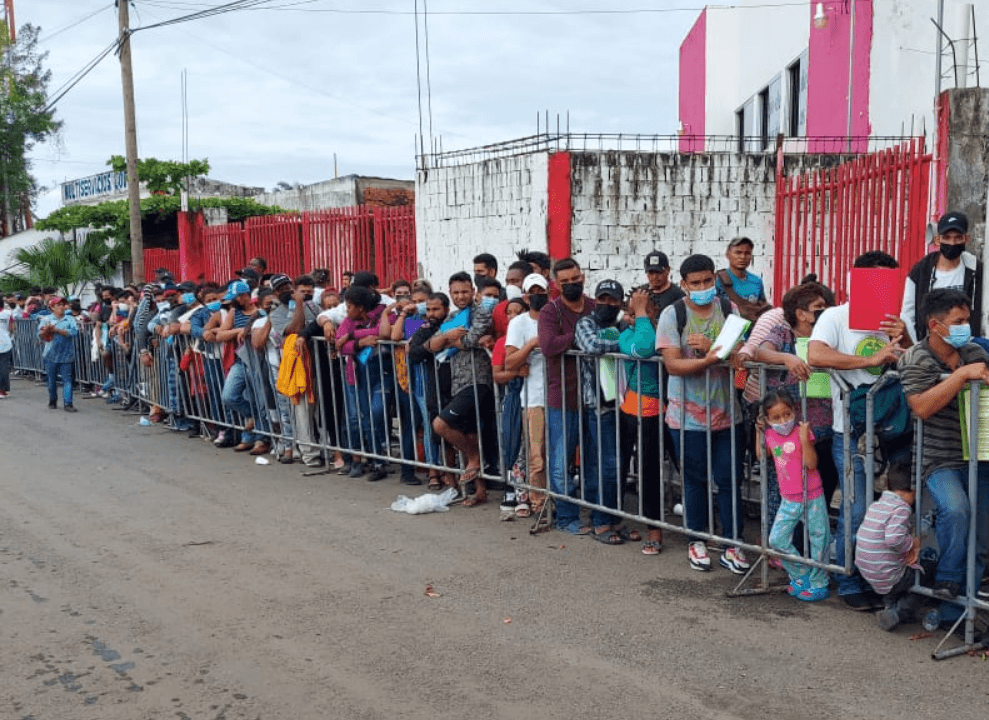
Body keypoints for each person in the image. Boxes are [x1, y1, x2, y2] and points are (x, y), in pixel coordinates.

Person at [808, 250, 909, 610]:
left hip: (893, 430)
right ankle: (846, 576)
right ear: (857, 279)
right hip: (849, 431)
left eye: (889, 280)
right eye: (874, 278)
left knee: (890, 512)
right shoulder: (836, 317)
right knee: (856, 508)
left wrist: (907, 340)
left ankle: (877, 575)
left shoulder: (897, 318)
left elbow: (917, 363)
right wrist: (869, 359)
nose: (882, 286)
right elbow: (816, 356)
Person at [897, 288, 989, 628]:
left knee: (979, 540)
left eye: (968, 319)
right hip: (937, 458)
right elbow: (921, 406)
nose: (966, 326)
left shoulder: (975, 351)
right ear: (935, 325)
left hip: (979, 456)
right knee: (956, 509)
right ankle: (947, 577)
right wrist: (962, 376)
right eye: (959, 321)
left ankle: (956, 614)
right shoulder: (915, 359)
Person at [656, 254, 748, 573]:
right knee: (694, 480)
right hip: (686, 418)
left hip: (727, 414)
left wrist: (713, 351)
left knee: (730, 480)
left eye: (708, 281)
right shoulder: (673, 314)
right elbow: (673, 365)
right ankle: (696, 540)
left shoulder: (729, 311)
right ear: (683, 284)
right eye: (695, 283)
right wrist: (712, 358)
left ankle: (732, 544)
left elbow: (739, 356)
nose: (703, 287)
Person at [538, 257, 597, 534]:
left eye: (576, 279)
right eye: (566, 282)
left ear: (583, 276)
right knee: (561, 461)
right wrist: (582, 336)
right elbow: (549, 345)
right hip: (562, 397)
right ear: (556, 284)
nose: (573, 285)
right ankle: (566, 517)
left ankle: (601, 516)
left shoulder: (596, 306)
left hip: (596, 397)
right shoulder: (552, 312)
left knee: (595, 459)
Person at [573, 279, 634, 545]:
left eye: (613, 300)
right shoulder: (586, 322)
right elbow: (592, 346)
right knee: (605, 465)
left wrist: (625, 335)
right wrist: (625, 341)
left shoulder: (621, 324)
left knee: (618, 465)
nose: (607, 304)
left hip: (624, 402)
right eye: (603, 299)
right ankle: (600, 521)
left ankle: (614, 518)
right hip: (598, 404)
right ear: (595, 300)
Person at [429, 272, 497, 506]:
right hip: (457, 382)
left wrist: (451, 340)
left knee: (440, 424)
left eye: (465, 291)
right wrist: (448, 336)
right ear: (450, 293)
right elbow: (432, 344)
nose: (460, 296)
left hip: (478, 381)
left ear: (473, 292)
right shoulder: (452, 317)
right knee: (470, 433)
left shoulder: (481, 313)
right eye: (456, 292)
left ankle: (475, 458)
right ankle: (480, 491)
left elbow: (472, 338)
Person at [758, 389, 831, 602]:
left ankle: (820, 582)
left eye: (787, 415)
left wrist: (804, 439)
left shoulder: (803, 432)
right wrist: (758, 431)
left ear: (794, 412)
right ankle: (801, 574)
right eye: (776, 417)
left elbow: (811, 464)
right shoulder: (770, 434)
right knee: (776, 539)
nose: (783, 421)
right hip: (789, 498)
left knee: (819, 539)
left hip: (812, 495)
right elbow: (763, 454)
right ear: (767, 419)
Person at [618, 288, 669, 554]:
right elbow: (645, 349)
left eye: (644, 309)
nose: (636, 316)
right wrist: (639, 314)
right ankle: (653, 529)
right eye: (632, 311)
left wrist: (643, 316)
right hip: (641, 409)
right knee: (647, 471)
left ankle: (702, 529)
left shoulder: (667, 329)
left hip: (675, 407)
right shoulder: (628, 335)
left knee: (690, 468)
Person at [855, 460, 924, 631]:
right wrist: (912, 543)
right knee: (927, 573)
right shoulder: (902, 508)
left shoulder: (877, 505)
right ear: (912, 490)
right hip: (887, 575)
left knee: (892, 570)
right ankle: (899, 612)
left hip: (868, 571)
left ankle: (889, 605)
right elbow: (893, 540)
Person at [505, 273, 550, 518]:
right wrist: (530, 345)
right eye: (532, 291)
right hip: (533, 398)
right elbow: (510, 361)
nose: (537, 296)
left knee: (557, 454)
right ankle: (538, 501)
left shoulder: (556, 318)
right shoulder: (519, 323)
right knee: (537, 455)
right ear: (525, 295)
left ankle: (557, 500)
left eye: (541, 291)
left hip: (559, 395)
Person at [901, 211, 983, 343]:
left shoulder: (976, 270)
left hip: (966, 345)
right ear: (938, 239)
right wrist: (915, 347)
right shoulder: (920, 271)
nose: (952, 243)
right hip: (931, 346)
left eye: (958, 238)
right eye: (947, 237)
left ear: (966, 239)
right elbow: (908, 314)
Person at [38, 296, 80, 412]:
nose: (61, 307)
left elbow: (75, 332)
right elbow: (40, 335)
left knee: (67, 379)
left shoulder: (70, 319)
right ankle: (53, 400)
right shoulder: (46, 319)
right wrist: (47, 330)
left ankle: (68, 403)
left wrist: (58, 331)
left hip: (67, 353)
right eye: (58, 305)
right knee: (51, 380)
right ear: (52, 307)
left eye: (63, 305)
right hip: (50, 353)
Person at [716, 236, 770, 322]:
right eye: (738, 252)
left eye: (747, 253)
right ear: (727, 255)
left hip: (751, 331)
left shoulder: (756, 281)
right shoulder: (718, 279)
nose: (743, 257)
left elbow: (762, 308)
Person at [0, 294, 13, 398]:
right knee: (4, 367)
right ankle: (3, 390)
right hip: (5, 342)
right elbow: (12, 328)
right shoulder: (8, 313)